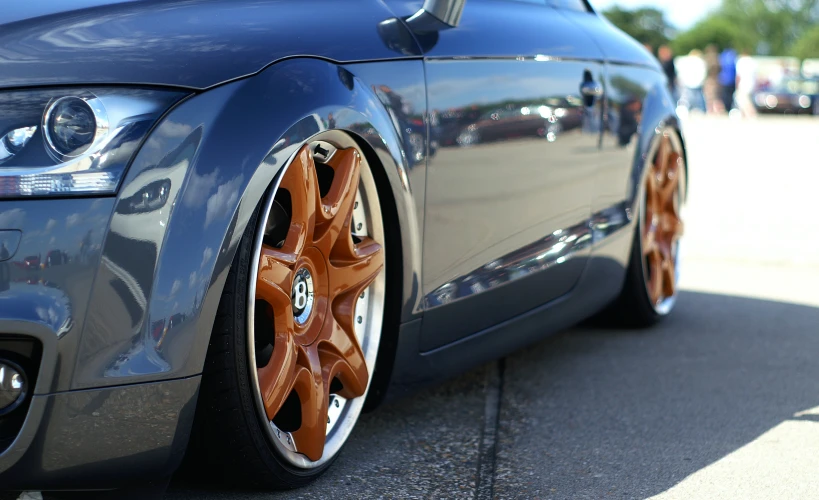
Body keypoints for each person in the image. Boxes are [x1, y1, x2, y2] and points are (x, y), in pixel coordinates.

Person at [735, 51, 757, 118]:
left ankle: (750, 114)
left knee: (743, 100)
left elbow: (738, 75)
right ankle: (744, 114)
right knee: (747, 99)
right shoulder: (752, 62)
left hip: (743, 84)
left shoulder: (741, 61)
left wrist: (737, 84)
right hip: (751, 84)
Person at [703, 45, 723, 114]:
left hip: (710, 79)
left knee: (709, 96)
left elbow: (705, 70)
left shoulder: (707, 58)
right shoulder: (717, 58)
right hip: (717, 79)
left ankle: (711, 110)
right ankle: (717, 110)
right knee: (716, 95)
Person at [718, 48, 738, 112]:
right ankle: (729, 108)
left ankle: (726, 109)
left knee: (725, 96)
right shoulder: (733, 56)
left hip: (724, 80)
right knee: (730, 96)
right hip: (731, 80)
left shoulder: (723, 56)